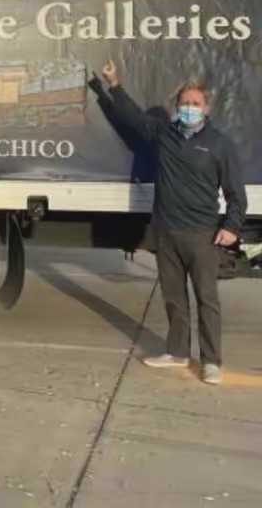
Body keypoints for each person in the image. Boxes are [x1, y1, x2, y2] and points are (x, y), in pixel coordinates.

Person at [99, 59, 247, 385]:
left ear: (206, 108)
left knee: (207, 299)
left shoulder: (220, 144)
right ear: (176, 107)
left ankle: (211, 361)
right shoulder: (163, 133)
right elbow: (133, 117)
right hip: (166, 232)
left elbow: (236, 193)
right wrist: (113, 84)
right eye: (184, 103)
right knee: (173, 297)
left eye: (195, 103)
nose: (190, 108)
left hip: (202, 235)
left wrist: (231, 227)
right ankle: (177, 352)